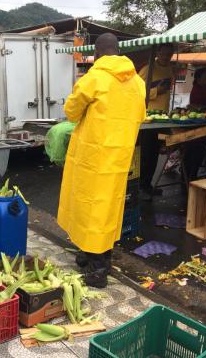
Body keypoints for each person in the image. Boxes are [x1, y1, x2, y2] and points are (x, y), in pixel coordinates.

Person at [57, 33, 146, 288]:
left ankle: (98, 271)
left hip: (92, 158)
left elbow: (71, 112)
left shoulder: (94, 78)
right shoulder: (137, 82)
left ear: (96, 54)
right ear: (118, 51)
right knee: (107, 210)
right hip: (118, 159)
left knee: (89, 209)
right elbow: (140, 115)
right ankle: (95, 256)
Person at [138, 44, 175, 199]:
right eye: (164, 54)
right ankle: (140, 186)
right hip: (148, 118)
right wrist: (155, 92)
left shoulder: (170, 69)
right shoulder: (148, 68)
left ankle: (147, 185)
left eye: (169, 54)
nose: (166, 57)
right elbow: (136, 90)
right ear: (158, 53)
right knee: (145, 154)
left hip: (162, 117)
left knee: (153, 155)